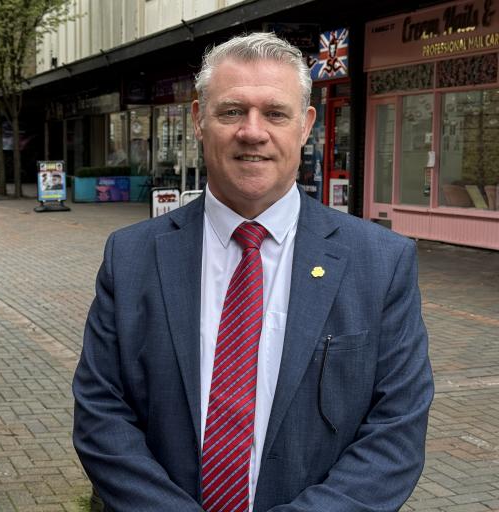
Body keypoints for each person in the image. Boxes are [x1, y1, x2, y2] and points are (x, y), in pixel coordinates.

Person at [72, 32, 433, 512]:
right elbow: (102, 416)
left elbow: (395, 432)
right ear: (199, 120)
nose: (252, 132)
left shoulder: (381, 263)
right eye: (232, 111)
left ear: (305, 126)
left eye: (275, 113)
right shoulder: (131, 256)